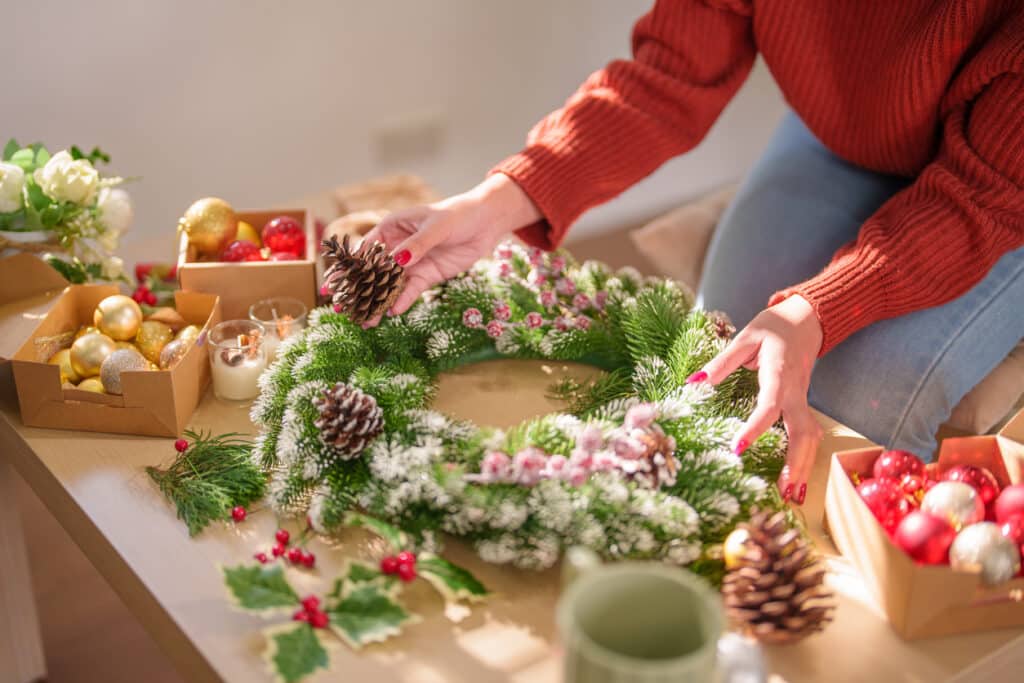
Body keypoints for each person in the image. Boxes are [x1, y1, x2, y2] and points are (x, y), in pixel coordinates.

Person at [361, 1, 1024, 505]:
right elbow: (667, 76)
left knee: (866, 403)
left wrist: (818, 307)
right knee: (726, 353)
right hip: (850, 133)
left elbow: (977, 199)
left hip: (1002, 182)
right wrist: (497, 202)